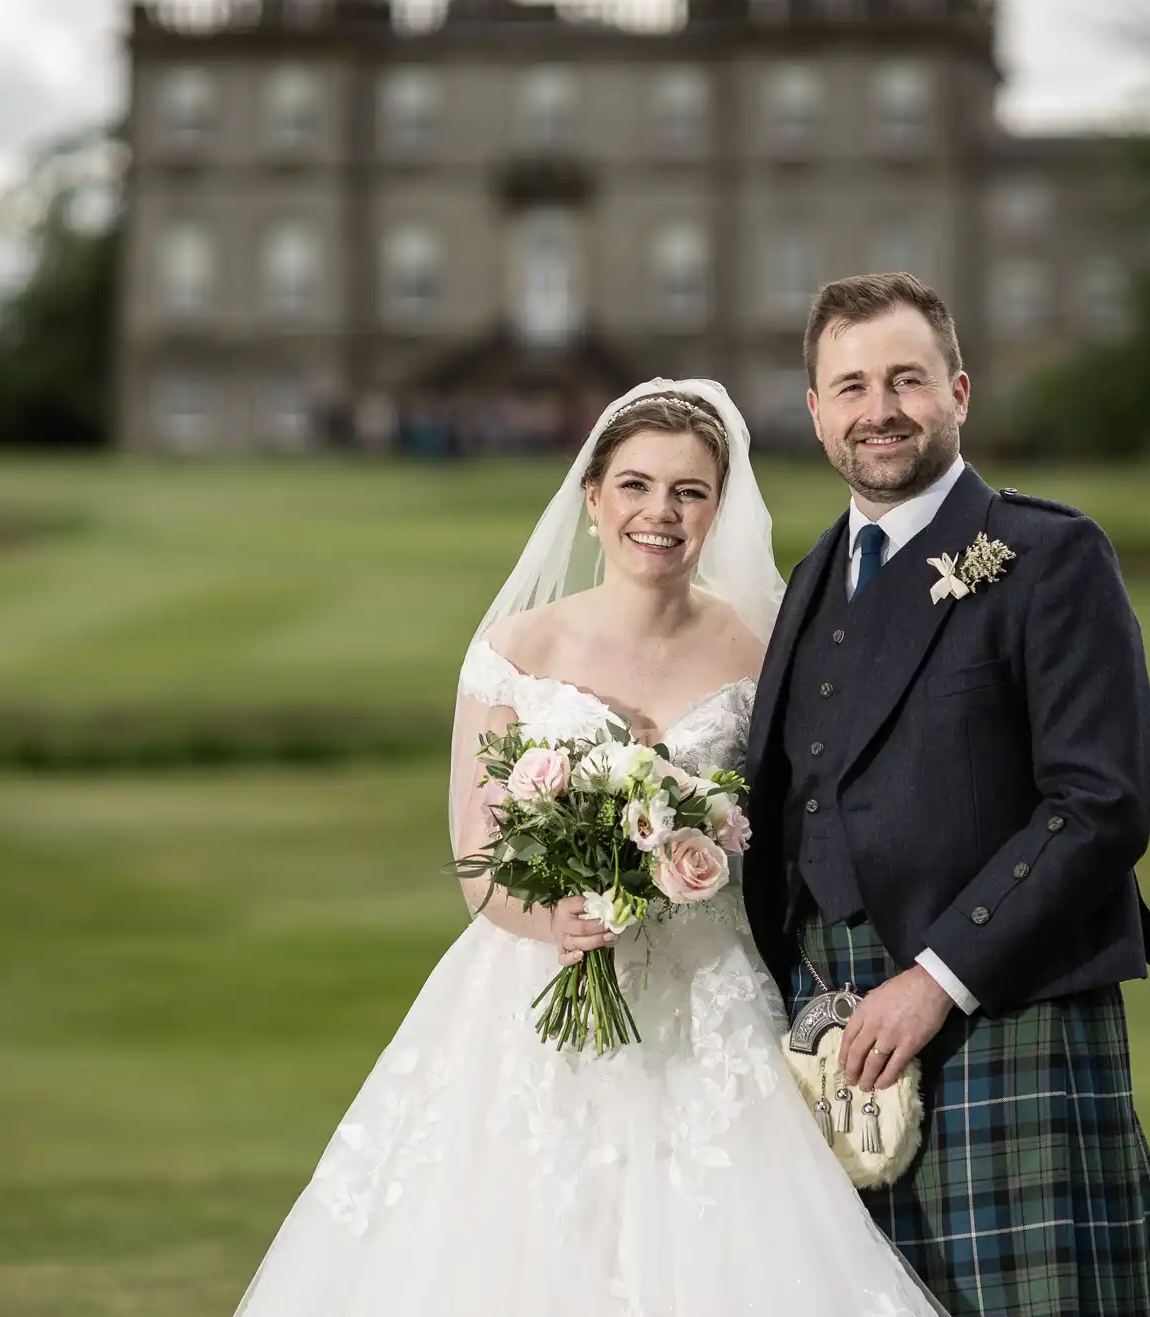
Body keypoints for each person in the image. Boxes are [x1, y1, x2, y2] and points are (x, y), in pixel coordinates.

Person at [232, 379, 947, 1317]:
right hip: (533, 993)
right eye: (637, 486)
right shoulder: (516, 648)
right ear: (594, 499)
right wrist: (556, 914)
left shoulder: (766, 650)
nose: (661, 513)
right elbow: (476, 854)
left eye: (689, 492)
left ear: (718, 508)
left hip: (709, 998)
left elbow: (799, 826)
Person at [741, 273, 1150, 1316]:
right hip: (829, 1029)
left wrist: (937, 976)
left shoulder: (1049, 553)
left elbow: (1099, 802)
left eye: (905, 379)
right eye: (849, 386)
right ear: (814, 412)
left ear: (956, 389)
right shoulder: (810, 576)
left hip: (1002, 1005)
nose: (879, 408)